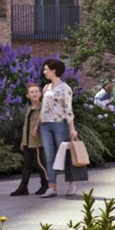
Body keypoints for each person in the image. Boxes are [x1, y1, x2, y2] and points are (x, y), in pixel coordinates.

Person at [39, 58, 79, 198]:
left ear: (53, 71)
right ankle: (52, 187)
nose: (44, 72)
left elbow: (68, 109)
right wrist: (37, 125)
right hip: (45, 125)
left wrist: (72, 128)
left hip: (59, 124)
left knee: (66, 155)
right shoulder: (46, 88)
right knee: (49, 156)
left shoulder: (65, 88)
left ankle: (72, 183)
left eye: (46, 69)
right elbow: (42, 108)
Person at [11, 83, 48, 196]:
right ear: (27, 95)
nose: (34, 94)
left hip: (36, 141)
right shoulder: (29, 108)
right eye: (31, 92)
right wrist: (23, 141)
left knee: (38, 163)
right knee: (26, 164)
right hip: (27, 141)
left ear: (40, 94)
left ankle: (46, 184)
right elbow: (26, 126)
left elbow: (43, 123)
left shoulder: (42, 108)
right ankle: (23, 187)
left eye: (36, 91)